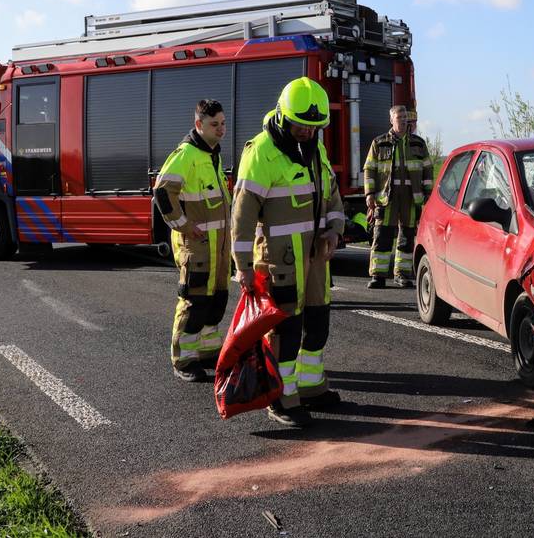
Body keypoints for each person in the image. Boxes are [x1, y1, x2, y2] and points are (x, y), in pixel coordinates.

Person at [232, 76, 345, 427]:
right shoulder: (261, 151)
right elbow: (242, 215)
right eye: (301, 126)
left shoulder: (315, 147)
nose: (307, 132)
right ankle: (281, 397)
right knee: (286, 331)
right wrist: (243, 266)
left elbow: (332, 195)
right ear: (283, 116)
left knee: (317, 324)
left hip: (315, 257)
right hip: (280, 260)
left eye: (314, 127)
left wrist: (335, 230)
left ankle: (311, 386)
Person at [153, 99, 232, 382]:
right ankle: (184, 360)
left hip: (217, 246)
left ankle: (208, 352)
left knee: (217, 300)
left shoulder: (211, 154)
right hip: (197, 246)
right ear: (199, 124)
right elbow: (162, 192)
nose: (221, 129)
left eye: (223, 123)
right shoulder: (187, 154)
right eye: (215, 124)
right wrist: (183, 225)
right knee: (194, 302)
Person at [363, 105, 432, 288]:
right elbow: (369, 169)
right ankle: (378, 276)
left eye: (405, 117)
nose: (402, 120)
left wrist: (428, 193)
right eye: (398, 117)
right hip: (387, 198)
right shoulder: (379, 143)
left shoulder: (418, 144)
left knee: (407, 236)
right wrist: (369, 194)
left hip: (411, 197)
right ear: (391, 120)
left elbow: (427, 168)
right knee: (382, 235)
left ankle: (402, 274)